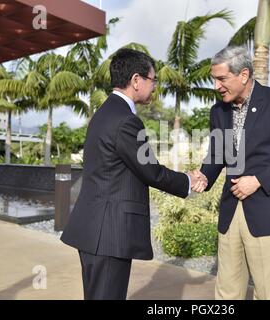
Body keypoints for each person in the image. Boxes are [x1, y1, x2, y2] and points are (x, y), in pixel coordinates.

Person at [60, 48, 207, 300]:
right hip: (108, 235)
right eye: (153, 80)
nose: (154, 87)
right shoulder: (125, 120)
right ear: (136, 80)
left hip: (95, 231)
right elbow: (151, 171)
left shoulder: (105, 113)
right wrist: (188, 181)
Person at [194, 46, 270, 300]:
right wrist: (203, 175)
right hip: (231, 211)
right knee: (227, 290)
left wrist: (258, 180)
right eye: (214, 79)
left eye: (221, 79)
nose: (216, 86)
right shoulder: (218, 111)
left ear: (243, 75)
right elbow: (218, 154)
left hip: (269, 212)